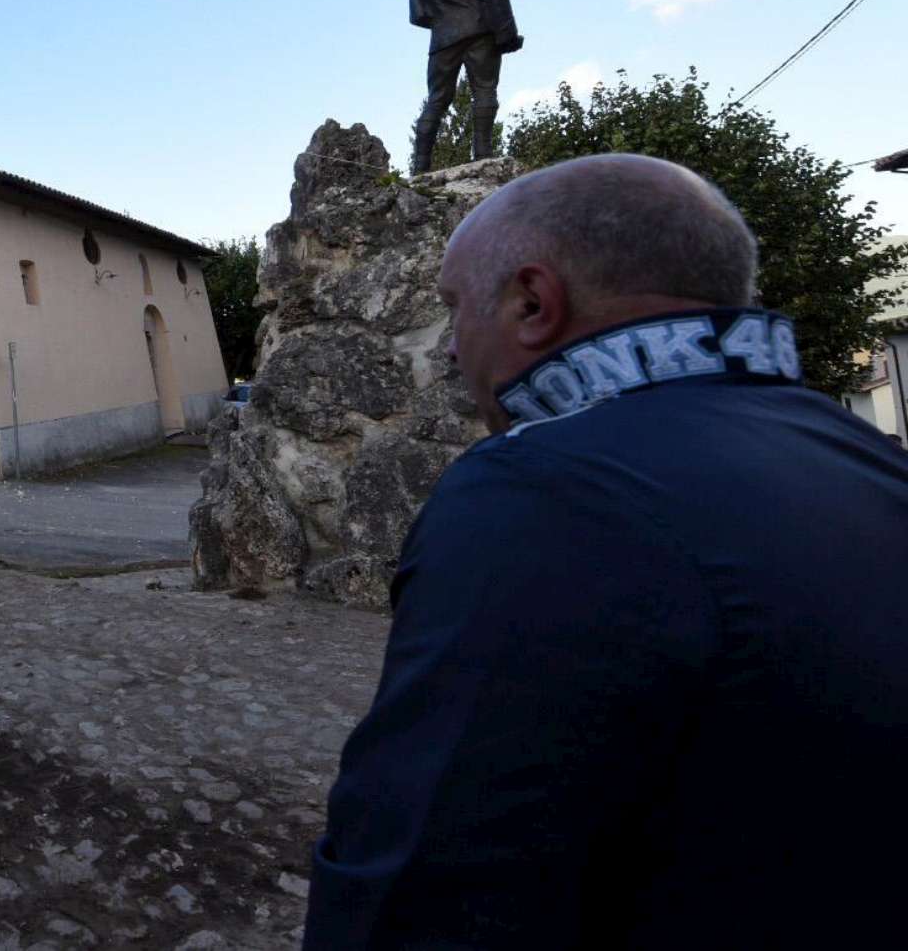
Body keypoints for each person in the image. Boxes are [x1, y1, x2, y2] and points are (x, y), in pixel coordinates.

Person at [304, 154, 908, 949]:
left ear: (532, 301)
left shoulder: (541, 489)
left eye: (454, 309)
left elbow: (422, 884)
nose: (451, 349)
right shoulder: (868, 455)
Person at [407, 0, 522, 175]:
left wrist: (445, 23)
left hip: (442, 41)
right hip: (481, 33)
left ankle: (420, 167)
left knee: (437, 99)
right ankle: (482, 154)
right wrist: (507, 34)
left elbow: (419, 16)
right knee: (484, 90)